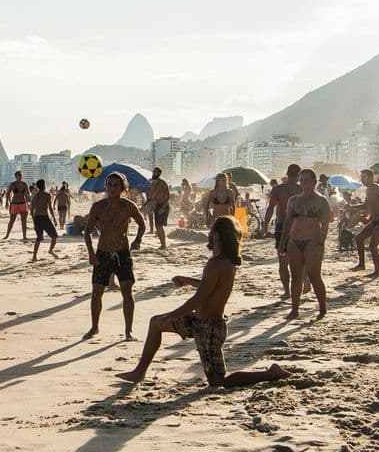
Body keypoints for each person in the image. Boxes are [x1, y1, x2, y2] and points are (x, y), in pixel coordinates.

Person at [115, 216, 291, 387]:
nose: (209, 232)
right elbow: (209, 287)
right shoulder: (226, 261)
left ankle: (271, 373)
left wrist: (173, 315)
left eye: (212, 229)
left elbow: (199, 297)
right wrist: (187, 280)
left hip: (210, 328)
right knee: (155, 323)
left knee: (218, 381)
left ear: (218, 235)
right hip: (199, 322)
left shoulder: (216, 263)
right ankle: (139, 372)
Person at [83, 172, 146, 341]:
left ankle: (128, 331)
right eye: (109, 185)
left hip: (122, 254)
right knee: (97, 292)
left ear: (123, 188)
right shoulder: (98, 207)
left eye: (116, 185)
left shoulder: (128, 206)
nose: (112, 189)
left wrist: (137, 240)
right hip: (102, 253)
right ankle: (94, 327)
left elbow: (142, 224)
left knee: (127, 290)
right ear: (105, 187)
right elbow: (87, 232)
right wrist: (91, 253)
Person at [279, 169, 330, 320]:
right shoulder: (294, 200)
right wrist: (283, 243)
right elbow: (287, 223)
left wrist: (321, 242)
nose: (303, 183)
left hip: (312, 241)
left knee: (314, 276)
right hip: (294, 241)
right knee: (296, 277)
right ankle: (294, 310)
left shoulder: (321, 201)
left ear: (314, 182)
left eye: (306, 180)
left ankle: (322, 309)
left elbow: (325, 224)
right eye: (301, 180)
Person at [261, 164, 302, 298]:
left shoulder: (278, 189)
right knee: (300, 258)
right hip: (299, 224)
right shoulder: (302, 189)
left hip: (282, 224)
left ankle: (287, 291)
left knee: (283, 260)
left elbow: (270, 208)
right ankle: (304, 282)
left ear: (287, 173)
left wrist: (265, 225)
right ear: (299, 176)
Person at [347, 168, 379, 276]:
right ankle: (362, 264)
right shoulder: (368, 190)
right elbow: (365, 205)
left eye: (364, 177)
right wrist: (351, 207)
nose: (362, 180)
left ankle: (377, 271)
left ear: (371, 178)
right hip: (374, 221)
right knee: (358, 238)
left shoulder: (378, 189)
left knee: (373, 246)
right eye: (361, 177)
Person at [30, 179, 59, 261]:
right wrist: (54, 219)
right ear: (44, 186)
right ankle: (50, 250)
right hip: (44, 217)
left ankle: (34, 256)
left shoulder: (35, 197)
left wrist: (34, 220)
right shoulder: (47, 195)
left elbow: (31, 210)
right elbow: (50, 208)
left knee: (38, 238)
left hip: (37, 218)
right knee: (54, 236)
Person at [4, 171, 31, 240]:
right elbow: (8, 194)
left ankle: (24, 236)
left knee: (24, 221)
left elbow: (28, 194)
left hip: (23, 203)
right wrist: (7, 202)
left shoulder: (24, 184)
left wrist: (29, 202)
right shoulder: (13, 184)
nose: (20, 176)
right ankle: (7, 235)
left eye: (21, 175)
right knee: (12, 220)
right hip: (14, 203)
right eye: (18, 175)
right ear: (15, 176)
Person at [150, 167, 170, 249]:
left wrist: (164, 207)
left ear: (159, 173)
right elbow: (153, 197)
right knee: (157, 226)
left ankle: (163, 245)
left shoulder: (162, 183)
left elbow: (168, 196)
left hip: (163, 205)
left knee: (159, 226)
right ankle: (162, 245)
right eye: (153, 172)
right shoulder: (154, 184)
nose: (153, 173)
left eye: (155, 172)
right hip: (157, 206)